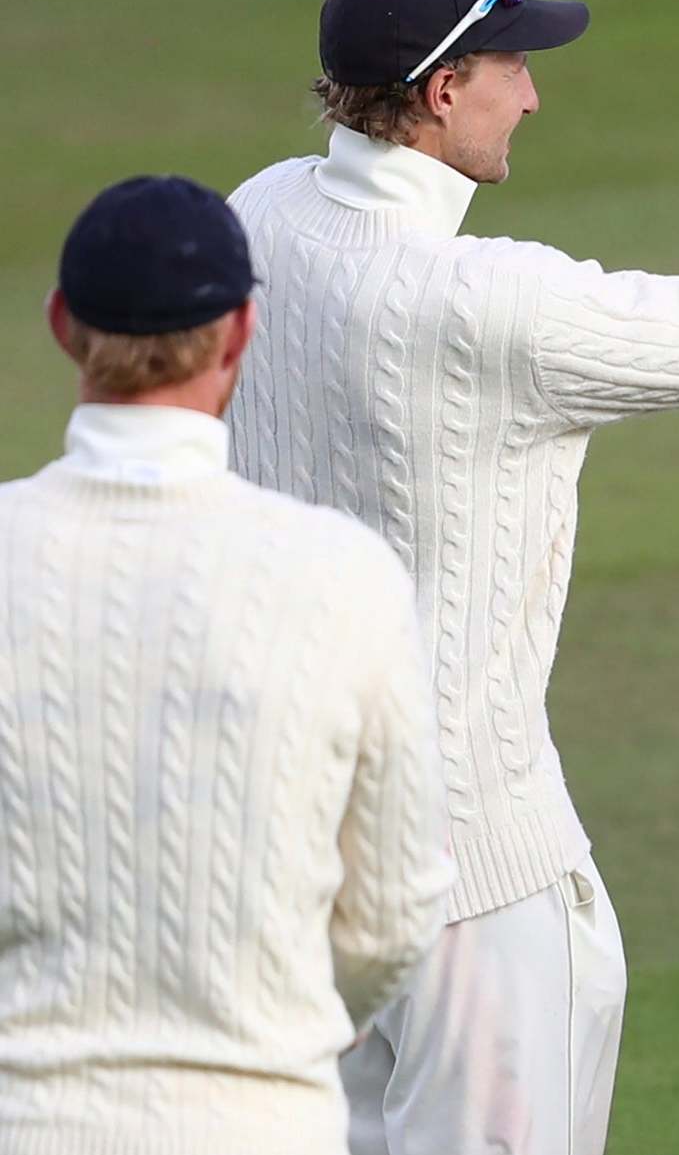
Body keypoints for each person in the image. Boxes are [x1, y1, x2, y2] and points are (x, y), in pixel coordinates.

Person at [226, 0, 679, 1154]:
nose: (534, 91)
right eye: (511, 65)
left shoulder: (259, 214)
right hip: (481, 883)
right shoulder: (487, 302)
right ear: (440, 90)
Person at [0, 177, 450, 1154]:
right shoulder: (342, 575)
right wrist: (275, 1024)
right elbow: (394, 915)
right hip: (265, 1118)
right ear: (241, 332)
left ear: (62, 326)